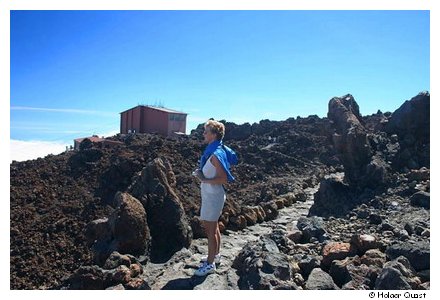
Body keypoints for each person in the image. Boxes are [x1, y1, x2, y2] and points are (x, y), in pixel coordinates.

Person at [193, 120, 238, 276]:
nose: (203, 134)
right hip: (212, 195)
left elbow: (223, 178)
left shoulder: (216, 154)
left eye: (206, 131)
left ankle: (210, 264)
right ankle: (215, 255)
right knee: (214, 228)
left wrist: (203, 178)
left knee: (210, 230)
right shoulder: (214, 150)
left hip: (213, 197)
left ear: (213, 134)